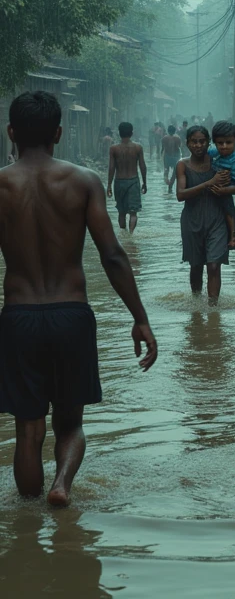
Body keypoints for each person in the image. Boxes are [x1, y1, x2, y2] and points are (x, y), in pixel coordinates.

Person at [0, 91, 157, 507]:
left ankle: (28, 527)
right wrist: (140, 317)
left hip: (18, 316)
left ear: (10, 132)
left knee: (28, 431)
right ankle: (62, 485)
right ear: (59, 133)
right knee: (69, 421)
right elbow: (113, 255)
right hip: (71, 315)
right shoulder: (83, 181)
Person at [176, 126, 232, 304]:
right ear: (187, 144)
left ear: (209, 143)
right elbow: (180, 194)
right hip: (192, 221)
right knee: (196, 266)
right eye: (194, 141)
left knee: (214, 265)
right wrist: (209, 183)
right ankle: (196, 304)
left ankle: (213, 310)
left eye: (202, 141)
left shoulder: (218, 162)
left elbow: (231, 191)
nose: (198, 145)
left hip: (216, 221)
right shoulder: (182, 165)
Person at [208, 120, 235, 248]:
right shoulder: (214, 152)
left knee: (229, 210)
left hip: (226, 189)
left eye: (229, 143)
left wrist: (224, 191)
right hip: (214, 192)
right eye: (220, 143)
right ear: (215, 142)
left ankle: (234, 238)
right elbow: (204, 154)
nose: (224, 146)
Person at [107, 122, 147, 233]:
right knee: (133, 212)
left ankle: (123, 236)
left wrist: (109, 185)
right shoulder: (138, 147)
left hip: (119, 181)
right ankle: (130, 236)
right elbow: (143, 166)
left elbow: (111, 168)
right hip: (133, 181)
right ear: (132, 133)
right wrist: (144, 182)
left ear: (119, 133)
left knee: (121, 212)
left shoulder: (114, 149)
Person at [161, 124, 182, 190]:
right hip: (176, 156)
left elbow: (162, 149)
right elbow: (179, 147)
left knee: (166, 169)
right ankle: (170, 186)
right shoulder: (178, 138)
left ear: (168, 130)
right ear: (174, 131)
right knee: (175, 172)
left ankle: (166, 178)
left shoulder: (164, 138)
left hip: (167, 156)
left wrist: (161, 157)